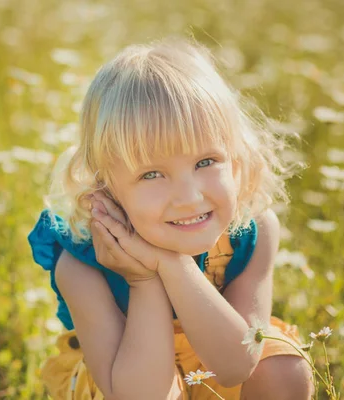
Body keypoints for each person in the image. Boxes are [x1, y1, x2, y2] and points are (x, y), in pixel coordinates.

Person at [28, 36, 312, 400]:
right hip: (127, 378)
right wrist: (144, 280)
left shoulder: (252, 230)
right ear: (107, 187)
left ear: (236, 163)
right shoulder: (82, 262)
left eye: (205, 162)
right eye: (151, 174)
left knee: (281, 367)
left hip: (216, 361)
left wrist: (170, 264)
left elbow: (236, 365)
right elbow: (138, 394)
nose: (189, 197)